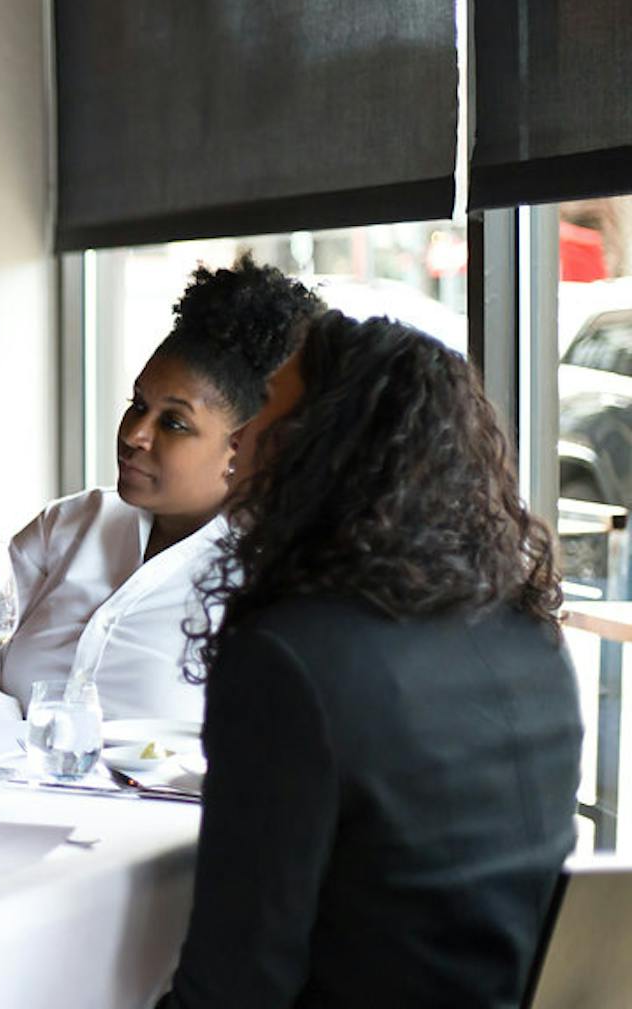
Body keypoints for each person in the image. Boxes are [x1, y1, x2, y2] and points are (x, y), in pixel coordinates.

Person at [158, 313, 582, 1007]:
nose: (239, 432)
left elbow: (235, 987)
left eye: (265, 408)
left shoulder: (288, 658)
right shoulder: (531, 634)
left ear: (323, 446)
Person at [0, 257, 323, 723]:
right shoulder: (69, 525)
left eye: (174, 422)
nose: (135, 433)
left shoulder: (269, 583)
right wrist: (19, 750)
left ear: (243, 444)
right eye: (138, 404)